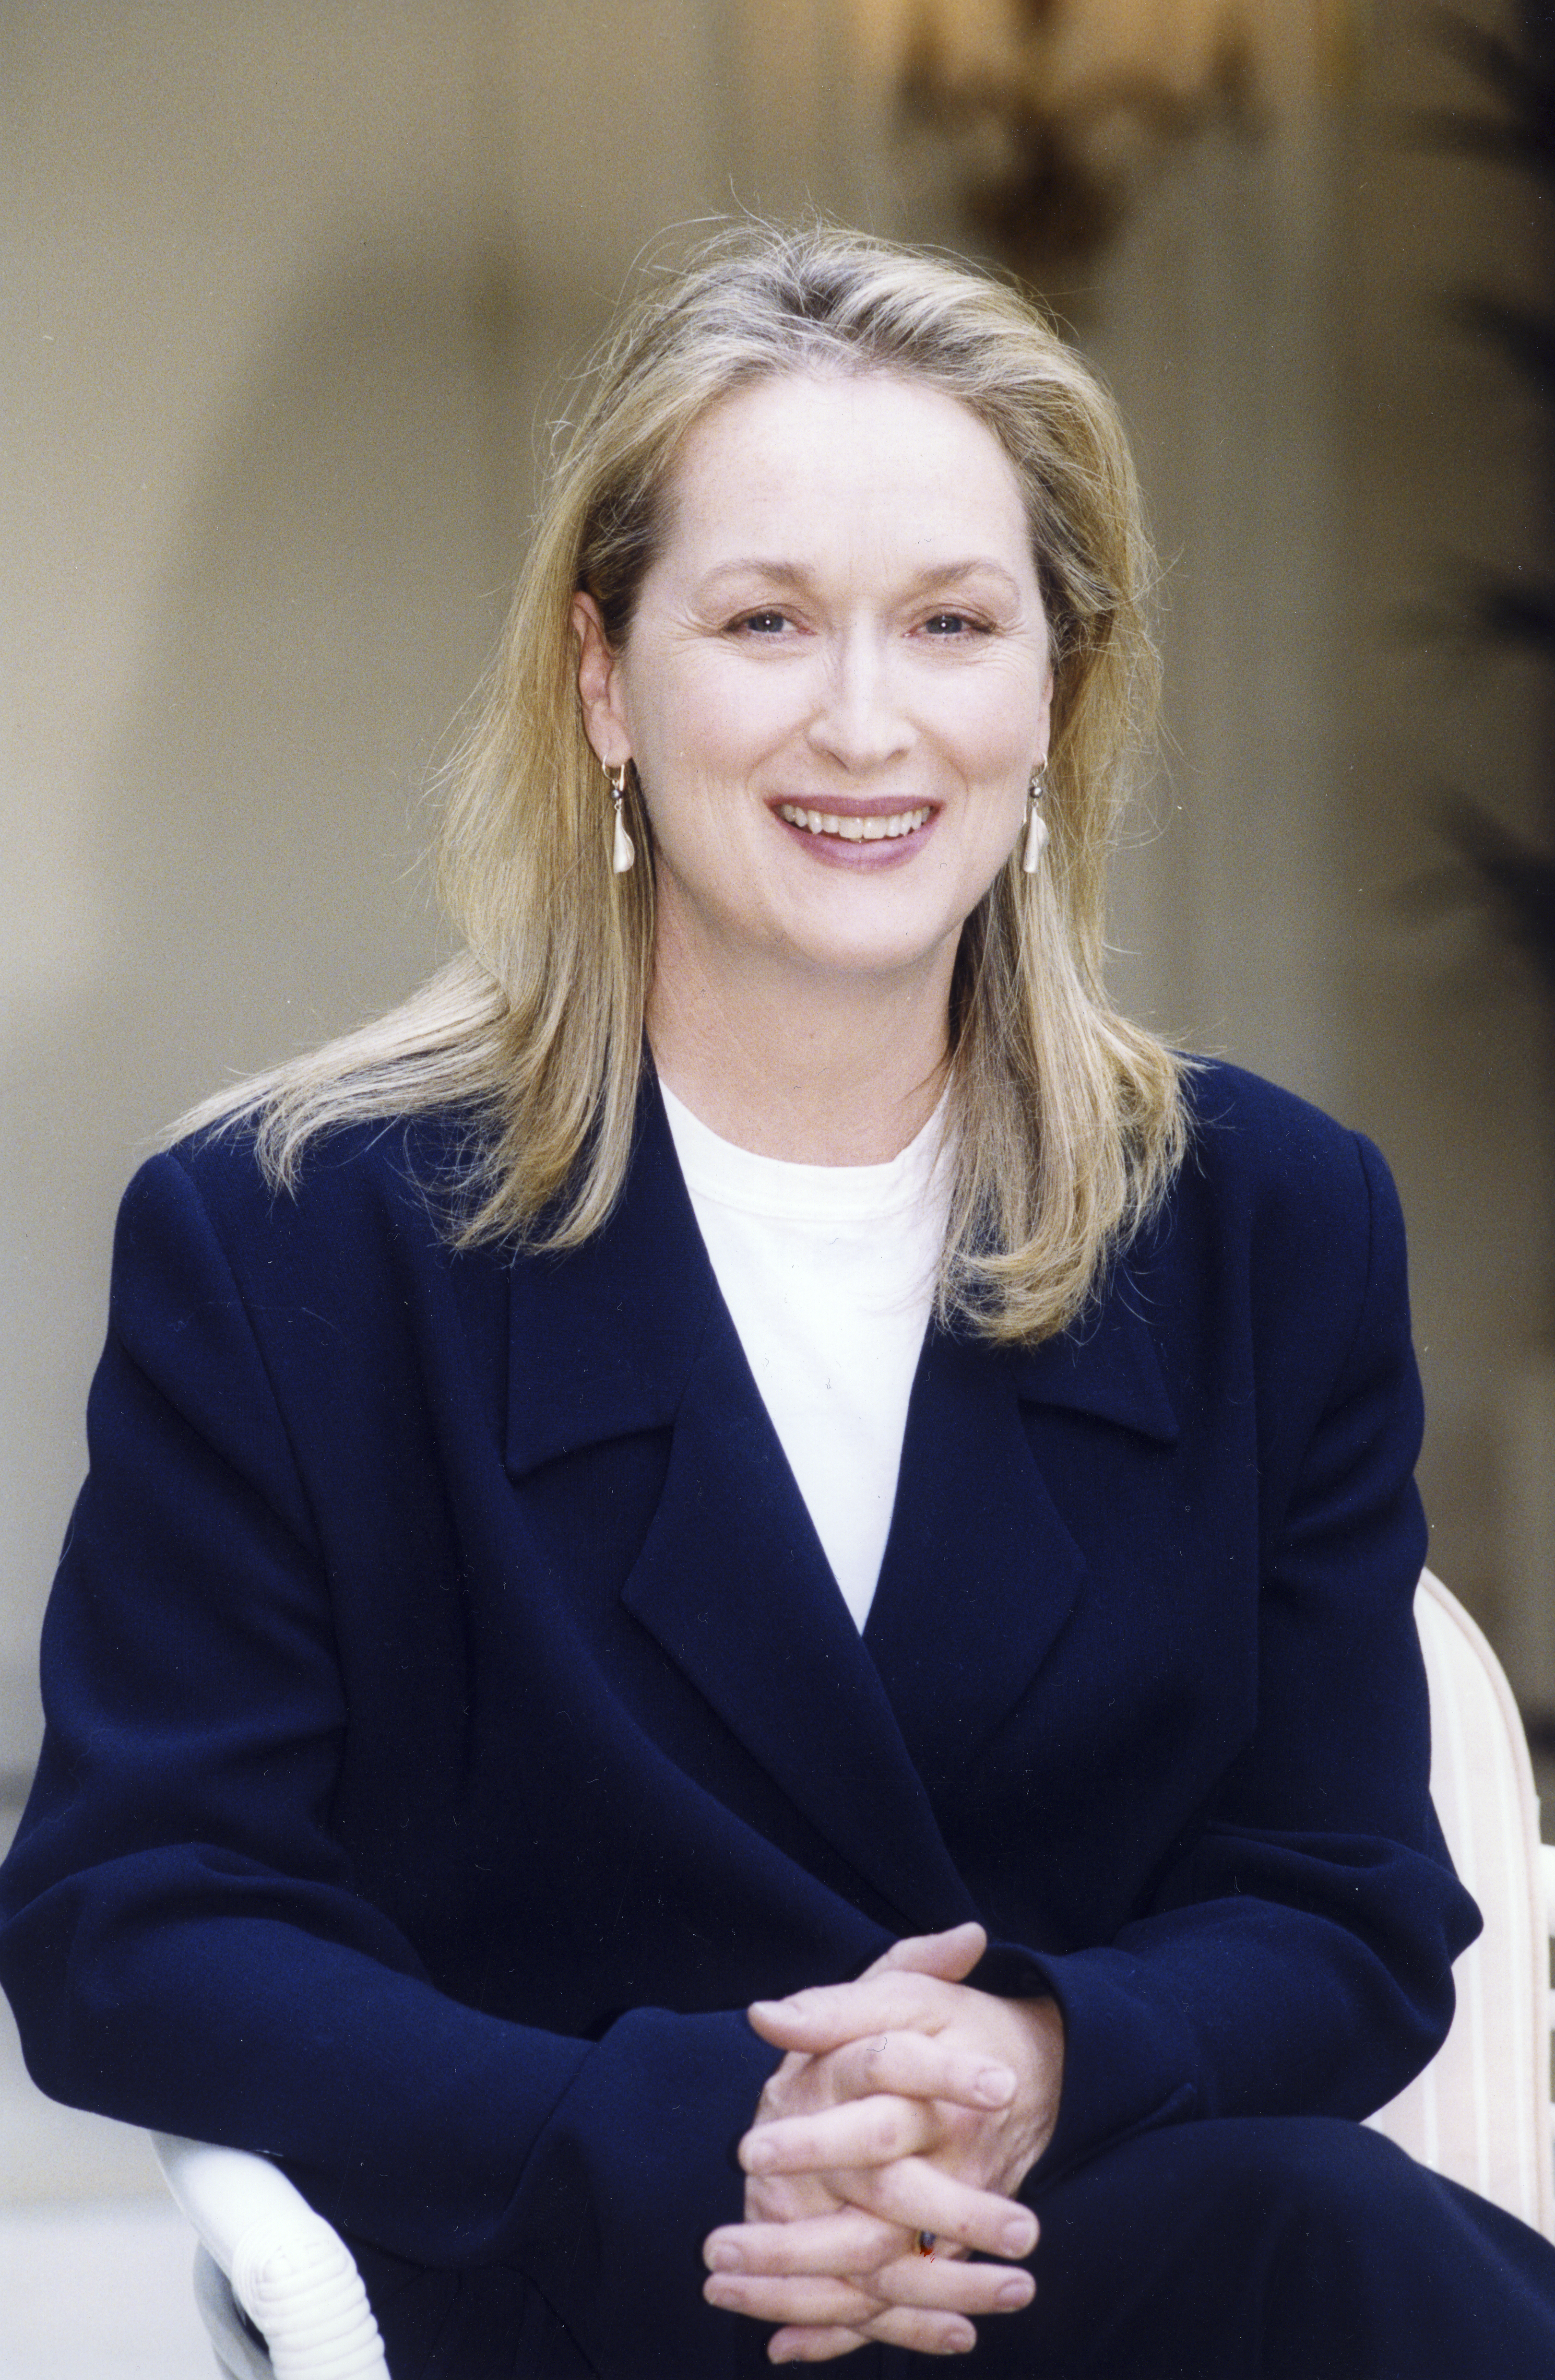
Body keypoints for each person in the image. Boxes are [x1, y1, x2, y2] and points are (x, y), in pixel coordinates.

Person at [3, 220, 1555, 2380]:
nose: (863, 719)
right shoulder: (291, 1236)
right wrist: (657, 2139)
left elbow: (1346, 1897)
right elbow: (138, 1919)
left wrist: (1034, 2047)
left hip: (1106, 2264)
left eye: (947, 622)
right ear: (604, 680)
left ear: (1053, 689)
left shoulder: (1267, 1221)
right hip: (582, 2292)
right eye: (762, 620)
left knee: (1333, 2239)